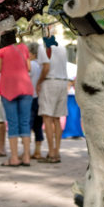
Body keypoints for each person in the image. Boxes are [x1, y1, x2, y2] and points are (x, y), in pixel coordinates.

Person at [0, 42, 33, 167]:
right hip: (25, 87)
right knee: (25, 123)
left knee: (13, 124)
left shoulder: (2, 49)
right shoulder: (24, 47)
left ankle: (15, 158)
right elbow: (29, 67)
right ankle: (26, 157)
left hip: (9, 88)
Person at [35, 32, 69, 163]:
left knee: (47, 118)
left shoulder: (42, 46)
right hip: (62, 82)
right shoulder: (62, 47)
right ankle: (57, 151)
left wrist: (38, 82)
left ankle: (51, 153)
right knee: (56, 118)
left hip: (50, 82)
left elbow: (46, 67)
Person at [27, 42, 44, 159]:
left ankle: (26, 152)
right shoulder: (40, 65)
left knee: (27, 125)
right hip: (40, 98)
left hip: (31, 97)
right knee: (38, 126)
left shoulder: (31, 65)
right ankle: (37, 151)